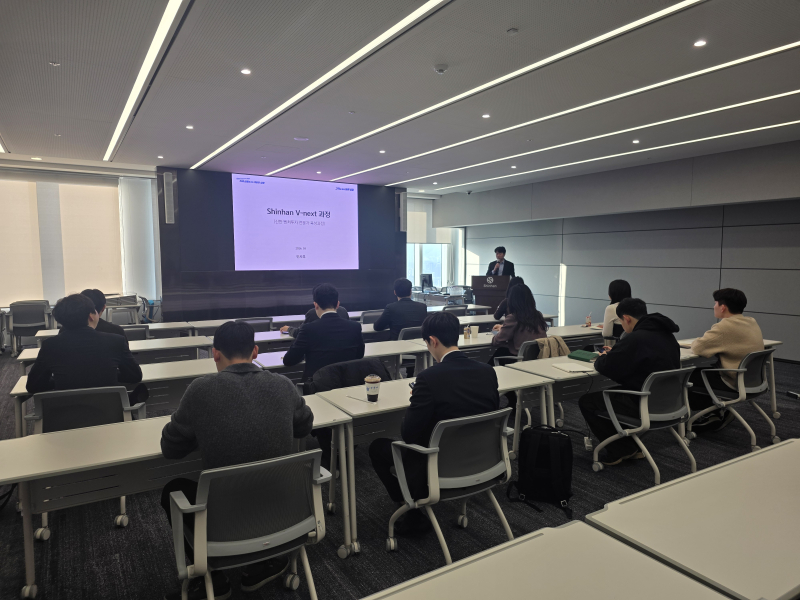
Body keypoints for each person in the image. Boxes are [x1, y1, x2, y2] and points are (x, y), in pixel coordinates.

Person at [160, 321, 314, 600]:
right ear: (255, 352)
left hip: (224, 518)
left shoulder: (200, 390)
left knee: (172, 490)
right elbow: (304, 427)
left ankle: (213, 578)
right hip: (281, 510)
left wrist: (203, 431)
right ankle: (266, 563)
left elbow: (170, 448)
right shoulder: (283, 384)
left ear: (214, 354)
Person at [369, 312, 500, 535]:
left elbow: (409, 434)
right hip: (482, 460)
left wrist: (417, 402)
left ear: (433, 341)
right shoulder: (487, 372)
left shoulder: (428, 378)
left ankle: (410, 505)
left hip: (439, 464)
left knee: (377, 447)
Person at [578, 298, 680, 466]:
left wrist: (604, 356)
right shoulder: (667, 335)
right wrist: (618, 351)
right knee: (613, 394)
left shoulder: (635, 338)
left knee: (588, 401)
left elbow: (606, 366)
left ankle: (620, 449)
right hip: (670, 402)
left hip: (643, 402)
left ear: (626, 318)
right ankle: (630, 446)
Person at [26, 294, 143, 394]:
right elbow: (135, 376)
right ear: (91, 316)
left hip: (65, 411)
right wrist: (110, 374)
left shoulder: (50, 345)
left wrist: (58, 379)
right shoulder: (116, 341)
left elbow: (33, 386)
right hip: (110, 411)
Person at [689, 288, 764, 432]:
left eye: (715, 303)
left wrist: (697, 341)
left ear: (722, 307)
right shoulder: (751, 321)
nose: (714, 306)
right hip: (752, 380)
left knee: (687, 377)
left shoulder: (725, 326)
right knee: (706, 371)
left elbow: (698, 348)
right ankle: (718, 411)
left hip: (732, 381)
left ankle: (711, 413)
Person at [282, 283, 365, 382]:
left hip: (317, 385)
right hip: (347, 383)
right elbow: (359, 355)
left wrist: (305, 354)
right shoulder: (355, 327)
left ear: (316, 305)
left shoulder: (308, 329)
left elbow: (289, 361)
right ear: (338, 304)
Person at [490, 285, 548, 359]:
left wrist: (500, 332)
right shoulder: (538, 315)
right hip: (537, 358)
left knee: (498, 354)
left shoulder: (513, 317)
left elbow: (496, 341)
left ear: (511, 300)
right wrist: (503, 328)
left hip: (518, 359)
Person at [279, 303, 349, 337]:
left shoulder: (312, 313)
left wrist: (289, 329)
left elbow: (300, 333)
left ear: (316, 304)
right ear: (337, 303)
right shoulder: (343, 311)